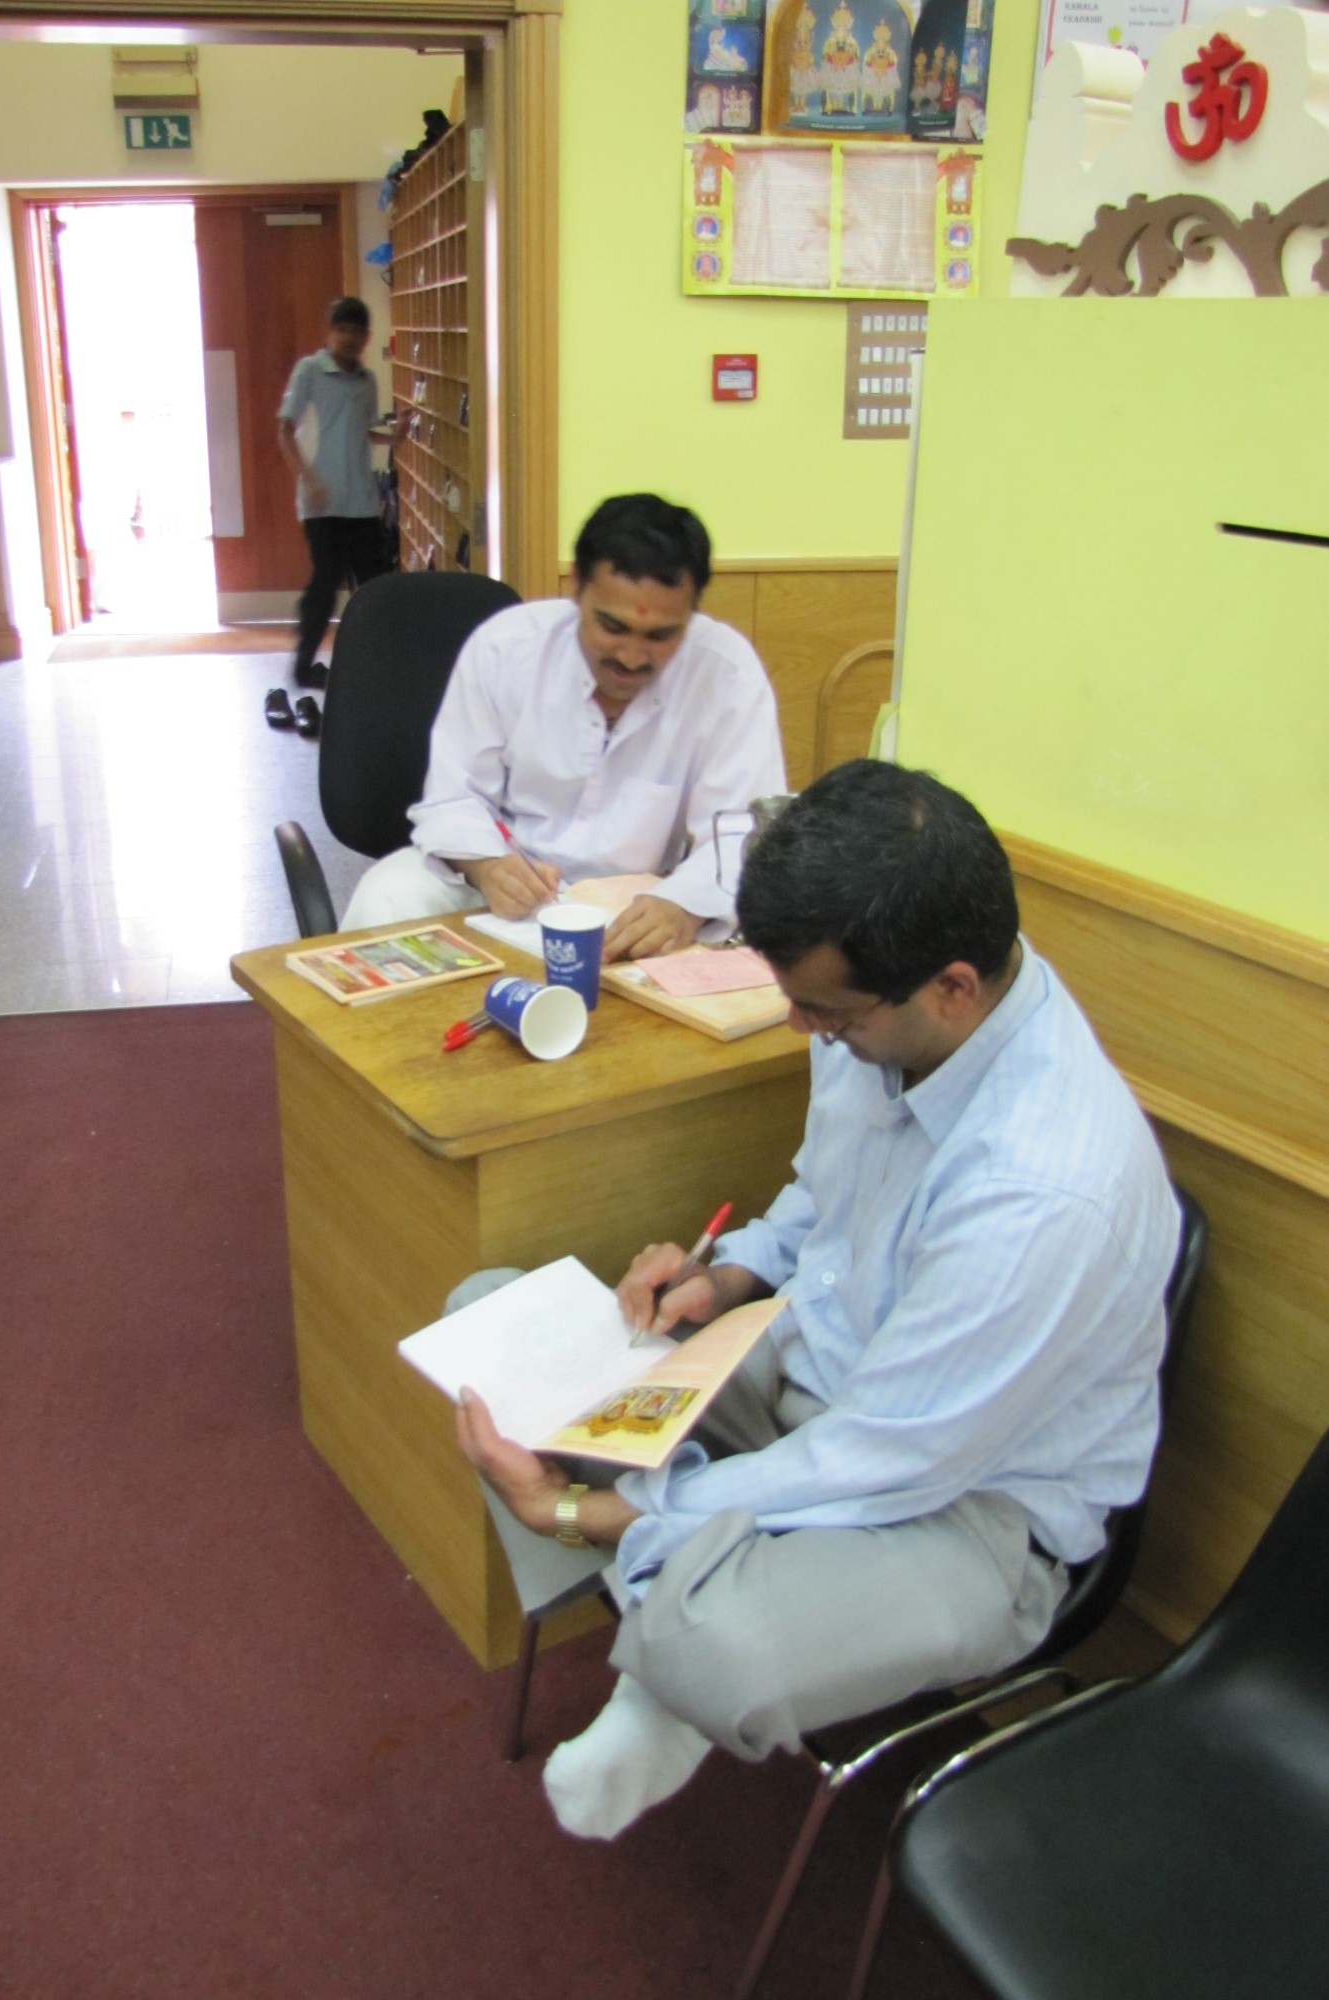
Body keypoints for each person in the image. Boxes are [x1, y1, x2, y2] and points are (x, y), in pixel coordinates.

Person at [456, 760, 1180, 1840]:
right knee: (493, 1323)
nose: (800, 1027)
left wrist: (583, 1510)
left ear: (952, 986)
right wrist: (730, 1271)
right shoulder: (895, 1005)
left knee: (716, 1641)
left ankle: (672, 1621)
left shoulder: (1042, 1191)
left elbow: (889, 1455)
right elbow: (820, 1193)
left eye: (823, 1010)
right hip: (809, 1365)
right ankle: (695, 1561)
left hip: (968, 1503)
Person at [339, 493, 787, 963]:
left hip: (641, 903)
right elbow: (454, 797)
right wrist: (490, 867)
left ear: (691, 613)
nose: (631, 658)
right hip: (500, 884)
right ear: (578, 588)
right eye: (612, 627)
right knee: (386, 894)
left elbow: (742, 833)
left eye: (660, 636)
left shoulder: (726, 674)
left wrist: (684, 905)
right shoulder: (505, 649)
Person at [277, 295, 403, 692]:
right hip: (321, 505)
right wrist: (307, 478)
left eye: (355, 331)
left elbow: (364, 430)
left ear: (366, 337)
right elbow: (284, 428)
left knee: (373, 586)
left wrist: (393, 437)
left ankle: (375, 663)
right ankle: (303, 664)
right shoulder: (310, 372)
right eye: (341, 329)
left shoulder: (367, 382)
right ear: (329, 332)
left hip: (362, 502)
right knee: (325, 582)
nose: (348, 338)